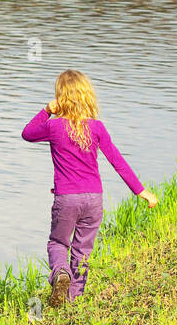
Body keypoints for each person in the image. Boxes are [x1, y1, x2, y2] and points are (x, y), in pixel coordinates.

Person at [21, 70, 158, 306]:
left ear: (60, 97)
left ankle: (60, 274)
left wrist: (45, 110)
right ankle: (74, 301)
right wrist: (141, 191)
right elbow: (118, 162)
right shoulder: (97, 128)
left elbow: (27, 134)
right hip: (94, 199)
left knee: (58, 243)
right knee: (83, 250)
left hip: (67, 199)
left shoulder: (53, 127)